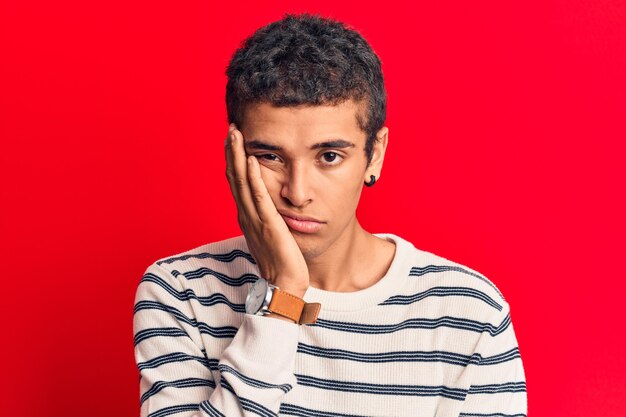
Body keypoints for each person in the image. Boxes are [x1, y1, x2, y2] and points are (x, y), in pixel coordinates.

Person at [133, 12, 527, 417]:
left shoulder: (469, 312)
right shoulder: (180, 291)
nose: (297, 192)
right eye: (269, 156)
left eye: (329, 156)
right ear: (235, 155)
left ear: (375, 154)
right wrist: (282, 298)